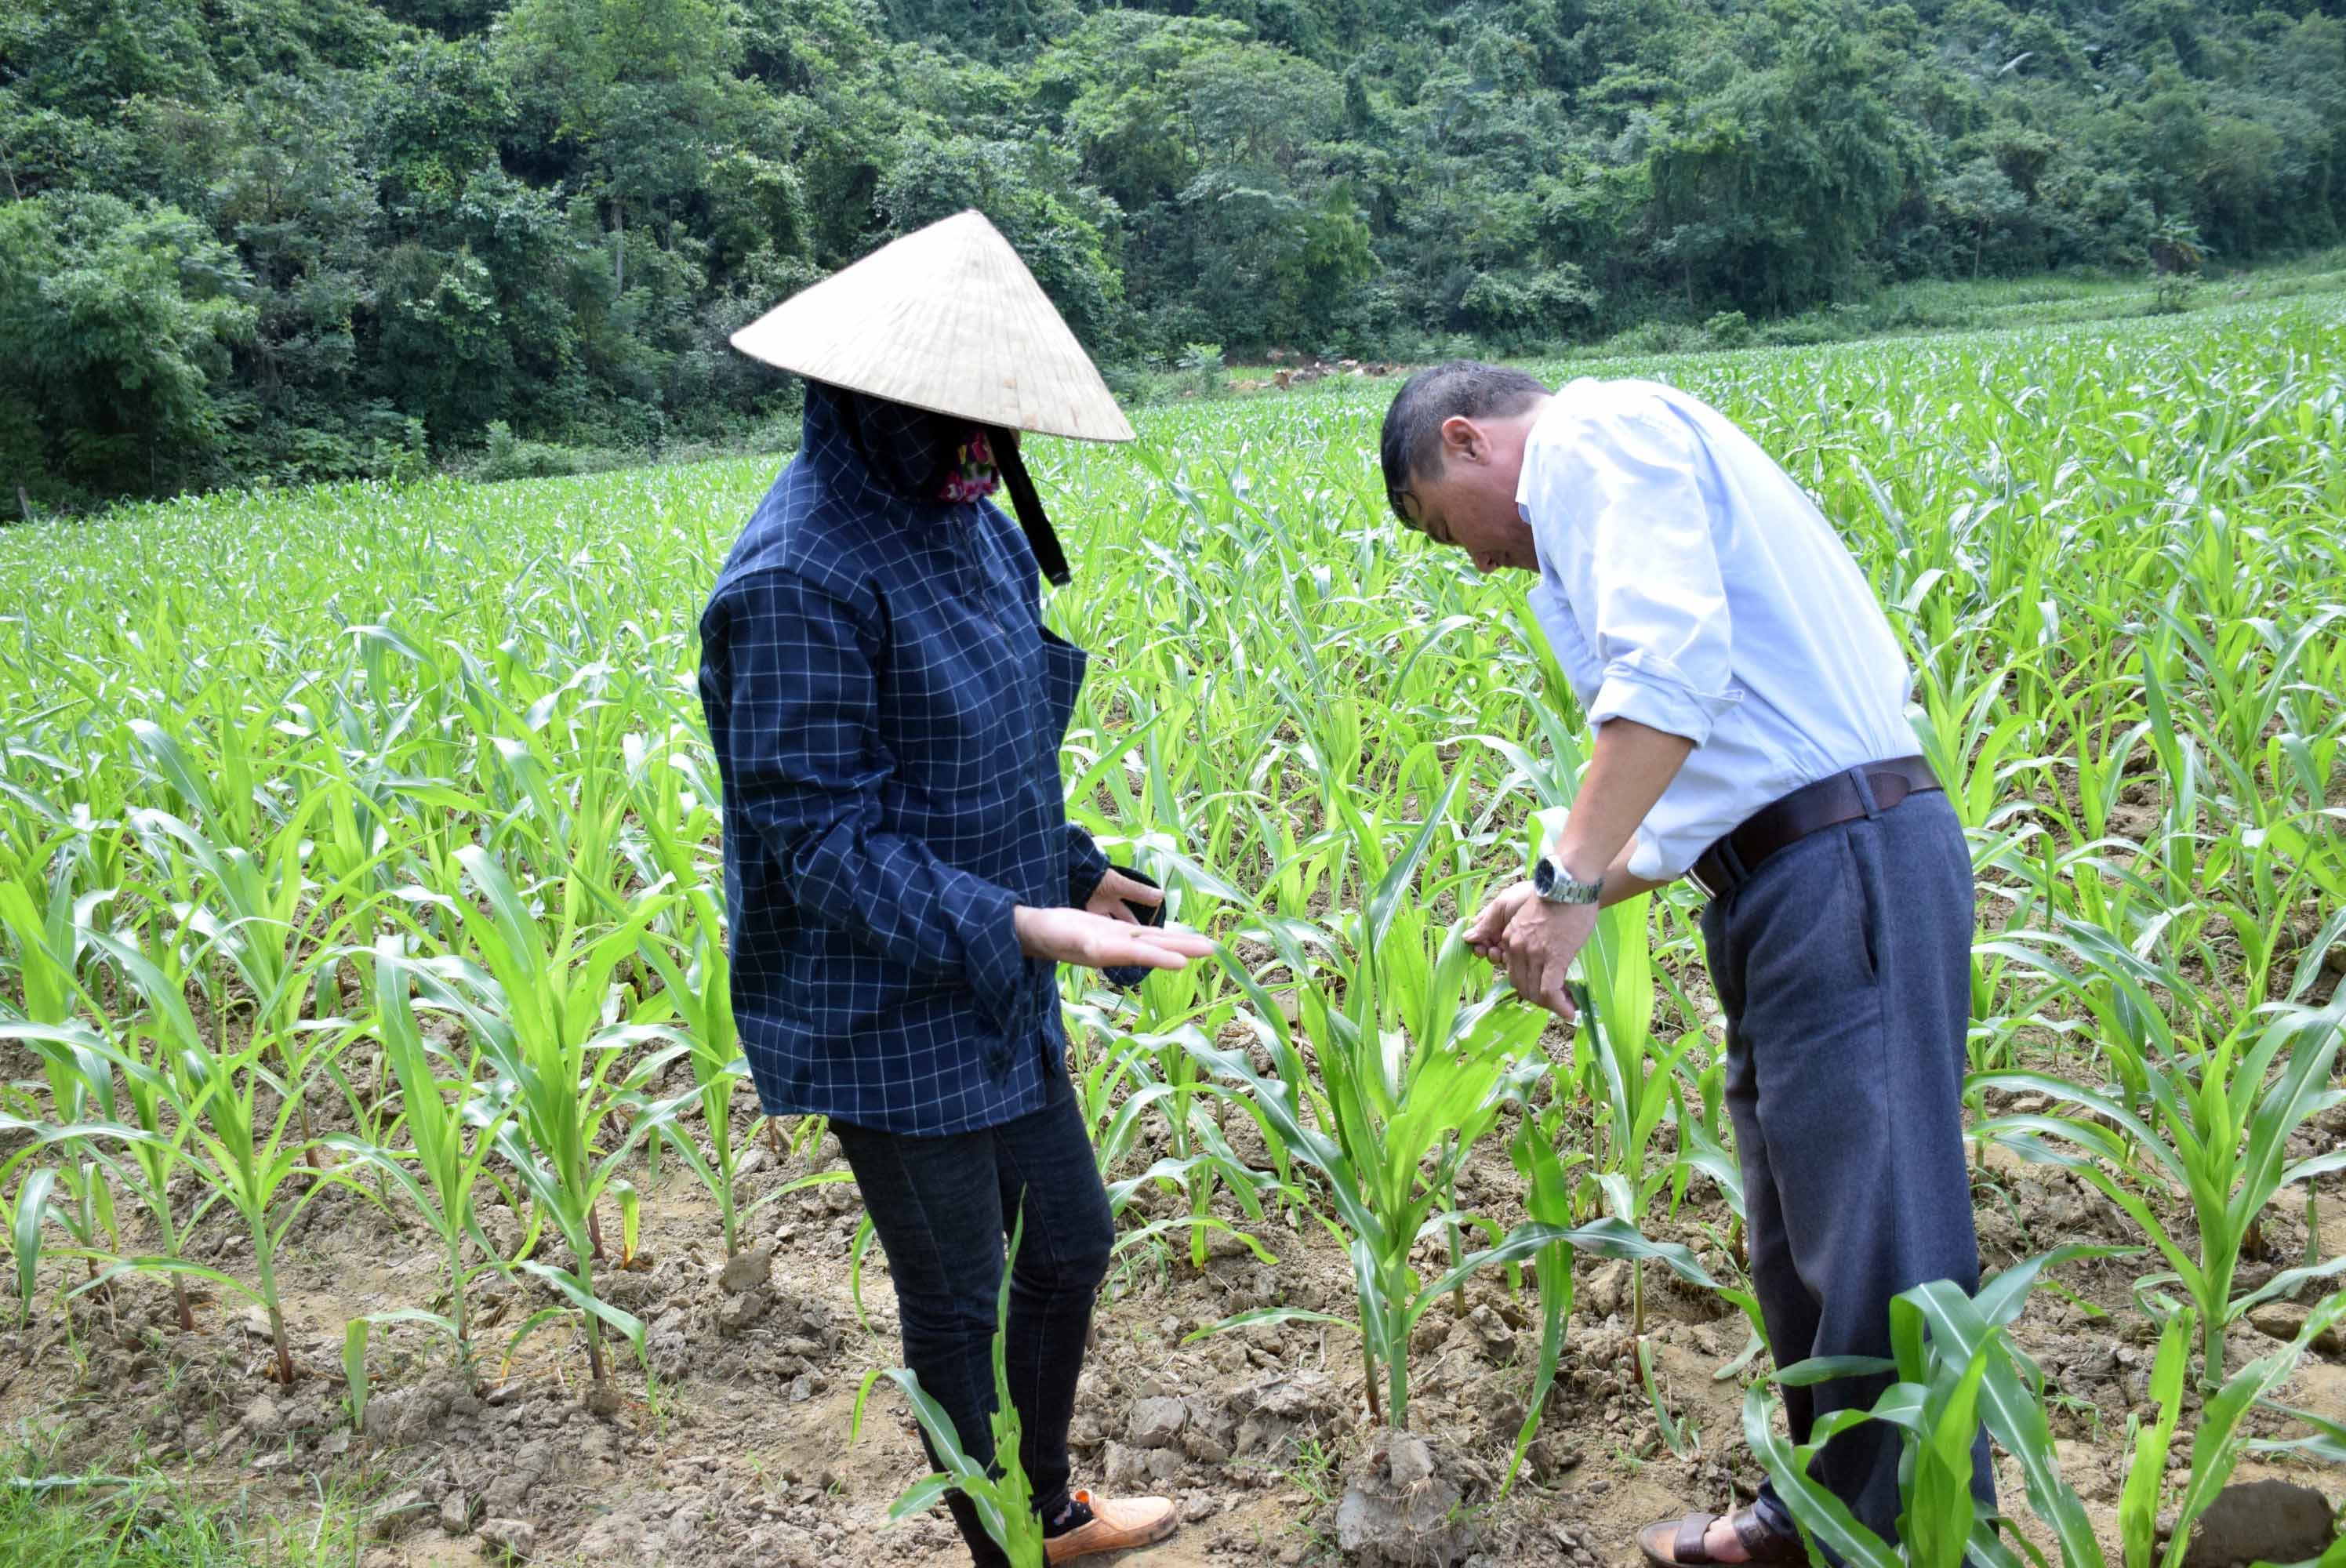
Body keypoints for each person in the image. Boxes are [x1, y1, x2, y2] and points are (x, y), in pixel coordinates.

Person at [1378, 361, 1992, 1565]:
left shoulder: (1594, 440)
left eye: (1451, 528)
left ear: (1466, 440)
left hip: (1844, 864)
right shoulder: (1615, 465)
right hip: (1796, 871)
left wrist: (1568, 886)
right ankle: (1816, 1515)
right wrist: (1572, 884)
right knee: (1804, 1230)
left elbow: (1668, 680)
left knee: (1881, 1232)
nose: (1480, 565)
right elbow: (1718, 763)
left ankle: (1920, 1538)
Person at [700, 210, 1213, 1566]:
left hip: (997, 960)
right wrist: (1018, 923)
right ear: (866, 404)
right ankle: (1003, 1545)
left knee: (1069, 1246)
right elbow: (819, 844)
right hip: (881, 1006)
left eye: (998, 432)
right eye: (958, 427)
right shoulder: (795, 577)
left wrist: (1076, 872)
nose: (986, 457)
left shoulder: (969, 522)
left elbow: (982, 759)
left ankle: (1042, 1507)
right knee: (962, 1295)